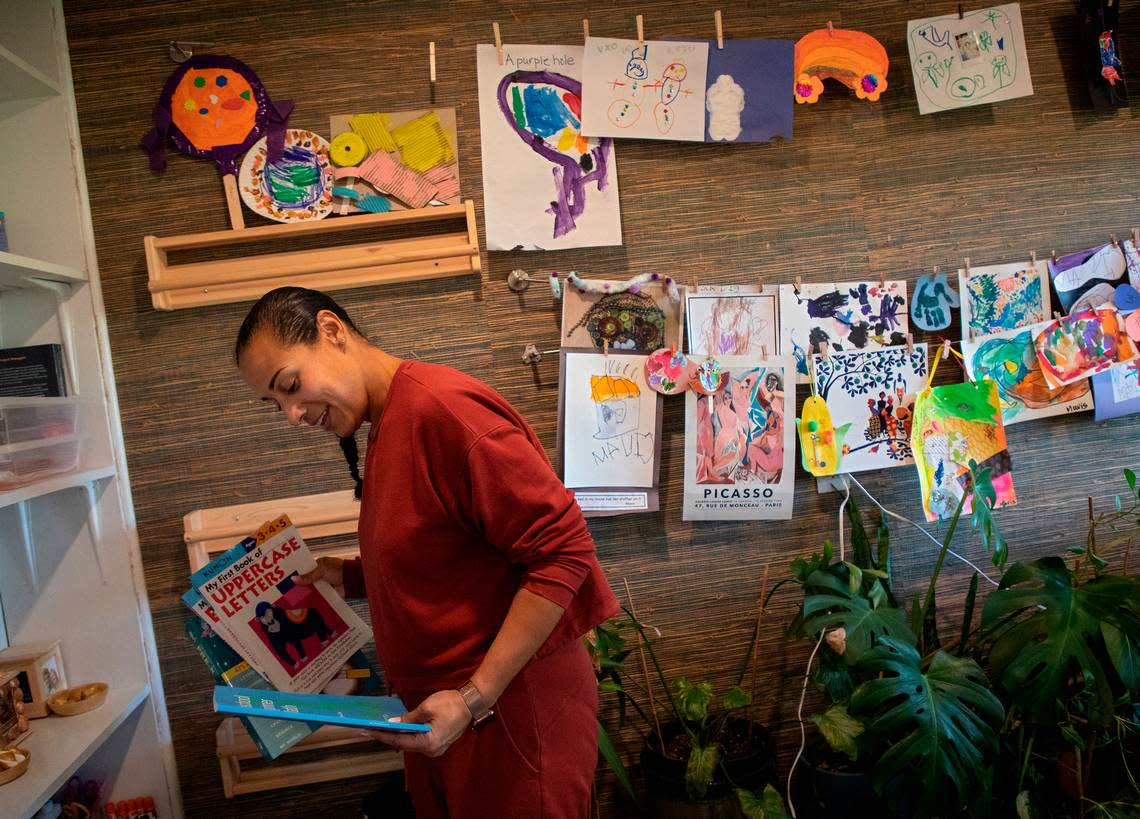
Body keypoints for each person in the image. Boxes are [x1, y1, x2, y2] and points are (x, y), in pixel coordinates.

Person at [234, 286, 619, 819]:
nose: (292, 415)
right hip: (447, 715)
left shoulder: (440, 411)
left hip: (507, 712)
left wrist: (474, 698)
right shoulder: (388, 422)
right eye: (275, 404)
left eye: (291, 386)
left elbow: (564, 552)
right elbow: (441, 555)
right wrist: (342, 577)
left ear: (332, 331)